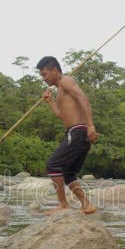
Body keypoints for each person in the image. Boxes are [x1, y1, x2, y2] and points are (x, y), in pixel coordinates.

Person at [37, 56, 98, 214]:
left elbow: (83, 99)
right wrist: (50, 101)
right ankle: (87, 205)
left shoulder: (66, 81)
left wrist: (90, 125)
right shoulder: (60, 90)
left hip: (78, 131)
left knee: (53, 165)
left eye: (44, 74)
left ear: (55, 70)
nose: (43, 79)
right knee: (68, 173)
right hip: (75, 132)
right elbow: (61, 115)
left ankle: (63, 204)